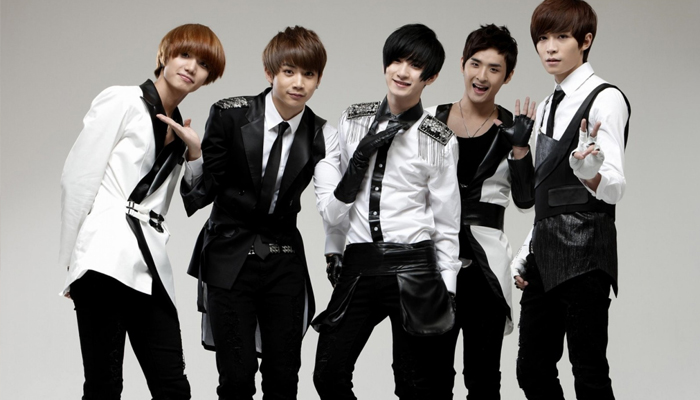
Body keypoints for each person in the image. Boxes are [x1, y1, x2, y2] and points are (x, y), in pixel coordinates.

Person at [167, 26, 339, 400]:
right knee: (237, 378)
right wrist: (194, 154)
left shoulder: (322, 134)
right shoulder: (230, 115)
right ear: (269, 72)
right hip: (229, 255)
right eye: (289, 71)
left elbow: (332, 202)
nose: (299, 83)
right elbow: (203, 192)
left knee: (284, 377)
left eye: (309, 74)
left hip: (284, 260)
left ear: (319, 79)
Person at [59, 23, 225, 399]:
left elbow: (194, 199)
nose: (191, 67)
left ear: (208, 78)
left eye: (203, 64)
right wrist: (75, 260)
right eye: (185, 55)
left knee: (172, 385)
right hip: (104, 256)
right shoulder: (123, 100)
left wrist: (194, 151)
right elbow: (77, 178)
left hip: (148, 261)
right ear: (165, 54)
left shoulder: (181, 130)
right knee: (104, 385)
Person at [312, 24, 459, 400]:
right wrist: (334, 247)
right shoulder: (353, 119)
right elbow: (338, 200)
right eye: (396, 60)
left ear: (430, 77)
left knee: (413, 385)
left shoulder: (438, 138)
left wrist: (449, 288)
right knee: (328, 374)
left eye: (415, 65)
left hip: (415, 266)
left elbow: (446, 222)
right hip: (359, 263)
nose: (402, 72)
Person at [510, 1, 631, 399]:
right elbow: (538, 196)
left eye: (561, 36)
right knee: (532, 371)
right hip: (544, 252)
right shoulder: (547, 105)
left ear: (586, 40)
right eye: (542, 38)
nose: (550, 47)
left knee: (589, 372)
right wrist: (527, 249)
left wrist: (590, 172)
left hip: (587, 250)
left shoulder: (605, 98)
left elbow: (614, 187)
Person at [426, 24, 535, 399]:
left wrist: (520, 150)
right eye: (475, 64)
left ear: (508, 75)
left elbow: (525, 200)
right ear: (462, 64)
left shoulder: (514, 130)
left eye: (494, 68)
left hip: (486, 267)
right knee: (431, 377)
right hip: (434, 262)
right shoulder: (429, 120)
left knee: (484, 377)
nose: (482, 76)